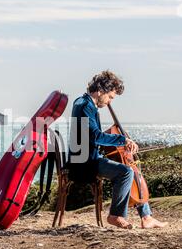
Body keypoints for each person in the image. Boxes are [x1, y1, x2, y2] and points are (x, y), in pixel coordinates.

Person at [68, 70, 168, 229]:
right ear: (100, 90)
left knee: (132, 169)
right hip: (84, 163)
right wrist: (122, 139)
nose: (109, 102)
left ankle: (146, 217)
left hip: (90, 158)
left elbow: (91, 137)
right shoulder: (84, 106)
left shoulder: (86, 104)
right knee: (126, 172)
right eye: (110, 97)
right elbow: (95, 136)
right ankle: (116, 215)